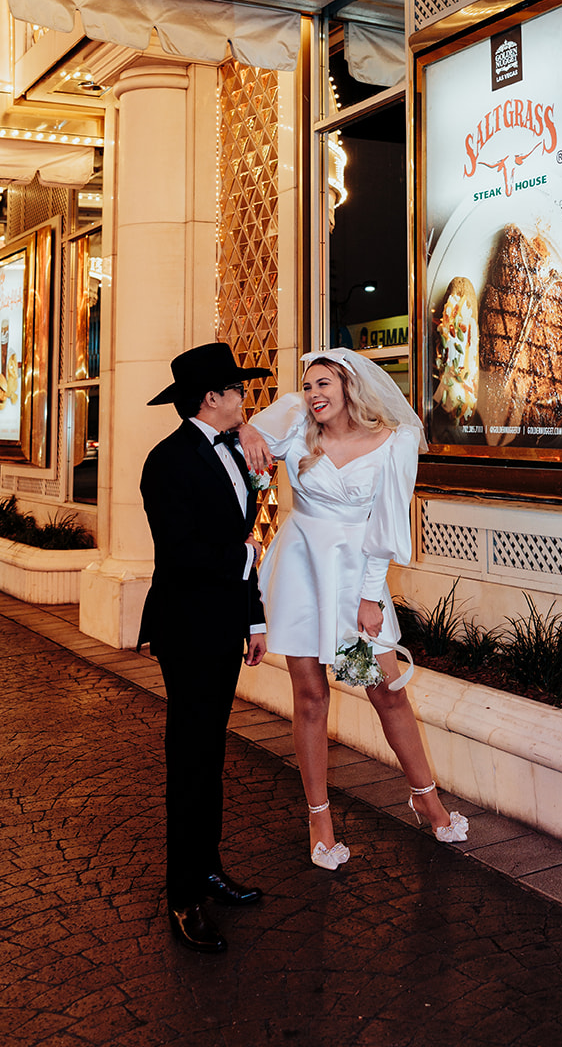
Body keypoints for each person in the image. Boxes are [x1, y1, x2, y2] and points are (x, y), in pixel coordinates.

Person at [241, 349, 467, 868]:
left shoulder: (394, 441)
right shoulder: (297, 424)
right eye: (307, 384)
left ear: (349, 387)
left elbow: (387, 527)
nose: (314, 393)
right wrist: (251, 429)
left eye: (324, 383)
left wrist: (370, 598)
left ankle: (424, 796)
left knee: (386, 691)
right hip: (300, 572)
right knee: (311, 696)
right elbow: (252, 434)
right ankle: (319, 819)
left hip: (355, 581)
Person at [138, 341, 270, 956]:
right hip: (186, 629)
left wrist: (253, 621)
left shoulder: (235, 452)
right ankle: (182, 897)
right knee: (189, 761)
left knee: (210, 755)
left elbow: (239, 537)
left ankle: (208, 869)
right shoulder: (167, 461)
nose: (246, 398)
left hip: (222, 627)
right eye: (238, 390)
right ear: (211, 398)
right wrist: (245, 560)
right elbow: (182, 552)